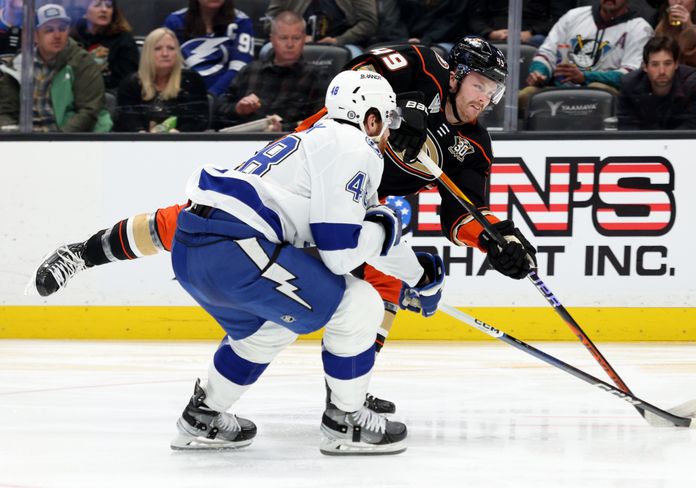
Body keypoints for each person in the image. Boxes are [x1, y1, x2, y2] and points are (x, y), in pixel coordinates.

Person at [34, 36, 537, 414]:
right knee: (193, 219)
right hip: (313, 163)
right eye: (480, 86)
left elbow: (463, 215)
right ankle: (83, 251)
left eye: (493, 93)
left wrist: (497, 241)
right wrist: (402, 113)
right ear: (457, 74)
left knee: (379, 283)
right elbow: (355, 80)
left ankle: (348, 391)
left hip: (359, 198)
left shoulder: (473, 144)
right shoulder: (421, 63)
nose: (485, 100)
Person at [168, 70, 444, 454]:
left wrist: (418, 275)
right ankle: (345, 422)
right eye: (387, 119)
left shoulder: (318, 141)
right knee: (360, 303)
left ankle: (202, 416)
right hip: (236, 248)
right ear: (370, 117)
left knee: (270, 329)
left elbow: (364, 229)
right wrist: (385, 227)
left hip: (196, 251)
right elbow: (341, 254)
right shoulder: (353, 146)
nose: (388, 133)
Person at [518, 0, 654, 115]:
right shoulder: (574, 16)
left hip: (608, 95)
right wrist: (539, 73)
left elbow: (631, 75)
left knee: (597, 89)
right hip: (560, 88)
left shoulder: (640, 28)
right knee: (524, 96)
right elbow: (547, 52)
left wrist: (585, 77)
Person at [0, 3, 112, 132]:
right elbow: (5, 111)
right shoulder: (19, 64)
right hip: (27, 142)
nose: (57, 35)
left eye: (62, 28)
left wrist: (57, 141)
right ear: (35, 36)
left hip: (67, 140)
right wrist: (15, 138)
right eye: (49, 30)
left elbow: (88, 111)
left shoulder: (82, 61)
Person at [215, 11, 328, 131]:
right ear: (272, 39)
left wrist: (284, 128)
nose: (290, 44)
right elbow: (217, 115)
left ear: (304, 39)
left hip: (292, 144)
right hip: (243, 142)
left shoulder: (317, 77)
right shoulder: (249, 71)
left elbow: (321, 123)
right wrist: (238, 109)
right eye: (283, 38)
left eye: (296, 38)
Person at [113, 27, 209, 132]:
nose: (165, 54)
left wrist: (179, 133)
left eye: (171, 48)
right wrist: (141, 134)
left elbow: (200, 119)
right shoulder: (130, 84)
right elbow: (126, 120)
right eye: (158, 49)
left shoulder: (192, 81)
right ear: (147, 53)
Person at [617, 35, 696, 129]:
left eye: (667, 64)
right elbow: (628, 128)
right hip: (644, 142)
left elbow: (694, 127)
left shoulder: (694, 83)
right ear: (645, 67)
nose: (662, 71)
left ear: (676, 64)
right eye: (655, 64)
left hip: (683, 142)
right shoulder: (629, 85)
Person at [164, 0, 254, 97]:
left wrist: (212, 94)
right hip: (182, 93)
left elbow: (239, 68)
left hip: (225, 96)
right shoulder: (175, 21)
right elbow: (165, 65)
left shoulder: (241, 22)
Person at [71, 0, 139, 92]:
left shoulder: (124, 39)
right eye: (97, 5)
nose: (104, 10)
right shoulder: (72, 37)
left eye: (109, 6)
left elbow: (127, 79)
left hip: (109, 94)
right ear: (85, 12)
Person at [266, 0, 377, 55]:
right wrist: (297, 37)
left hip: (343, 42)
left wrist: (338, 40)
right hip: (295, 40)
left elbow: (369, 23)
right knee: (267, 50)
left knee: (354, 56)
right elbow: (268, 22)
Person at [467, 0, 577, 48]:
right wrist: (490, 33)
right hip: (493, 32)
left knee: (540, 41)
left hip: (533, 34)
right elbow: (473, 17)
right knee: (470, 42)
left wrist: (532, 33)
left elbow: (560, 17)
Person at [399, 0, 467, 48]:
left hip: (443, 41)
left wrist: (426, 39)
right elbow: (402, 18)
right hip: (410, 39)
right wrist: (404, 39)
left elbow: (450, 23)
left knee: (431, 53)